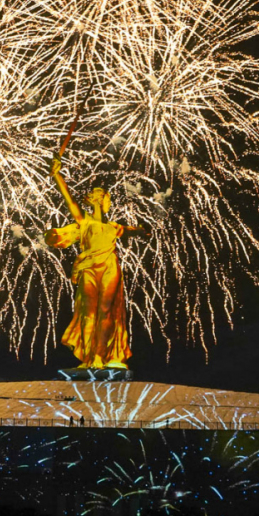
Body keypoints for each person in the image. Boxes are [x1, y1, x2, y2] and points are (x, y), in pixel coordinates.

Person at [45, 153, 150, 369]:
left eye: (100, 195)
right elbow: (68, 199)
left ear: (105, 200)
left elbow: (130, 230)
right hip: (88, 267)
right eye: (94, 194)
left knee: (105, 311)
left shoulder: (113, 227)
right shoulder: (83, 221)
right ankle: (89, 358)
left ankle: (101, 357)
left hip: (109, 266)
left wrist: (142, 230)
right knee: (88, 311)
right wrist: (57, 175)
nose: (97, 196)